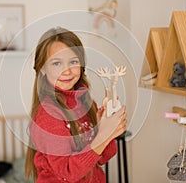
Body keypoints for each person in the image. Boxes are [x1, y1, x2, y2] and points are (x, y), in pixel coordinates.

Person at [25, 27, 127, 183]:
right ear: (42, 69)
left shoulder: (86, 104)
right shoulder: (47, 114)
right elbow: (68, 172)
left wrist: (106, 130)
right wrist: (103, 135)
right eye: (57, 63)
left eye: (73, 61)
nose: (66, 71)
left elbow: (103, 157)